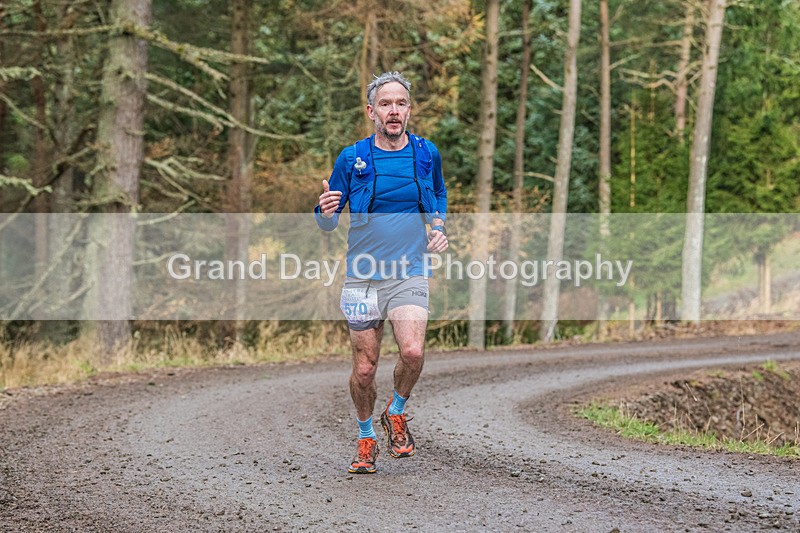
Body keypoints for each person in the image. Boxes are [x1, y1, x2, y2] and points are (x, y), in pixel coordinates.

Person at [314, 71, 448, 474]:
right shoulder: (351, 157)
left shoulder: (426, 153)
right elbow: (327, 220)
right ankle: (366, 436)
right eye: (386, 104)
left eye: (401, 103)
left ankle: (397, 410)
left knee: (413, 351)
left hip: (409, 270)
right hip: (362, 275)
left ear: (409, 110)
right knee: (365, 368)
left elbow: (438, 193)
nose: (394, 111)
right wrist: (323, 211)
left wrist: (438, 228)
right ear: (372, 111)